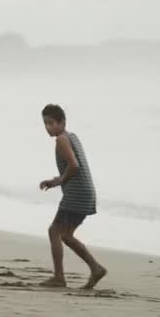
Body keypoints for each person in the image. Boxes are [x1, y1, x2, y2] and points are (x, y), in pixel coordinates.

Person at [39, 104, 107, 289]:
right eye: (45, 123)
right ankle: (96, 268)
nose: (48, 127)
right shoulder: (71, 136)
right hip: (86, 193)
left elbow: (74, 165)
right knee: (66, 236)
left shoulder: (61, 139)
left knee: (54, 231)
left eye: (51, 123)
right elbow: (74, 167)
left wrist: (59, 180)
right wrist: (56, 181)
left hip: (77, 195)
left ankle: (59, 278)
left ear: (62, 122)